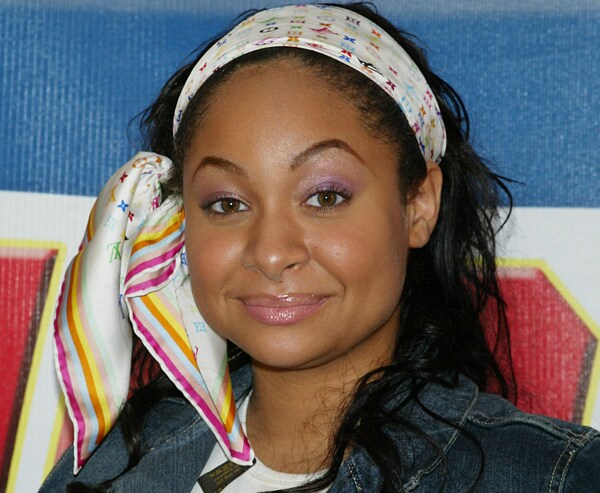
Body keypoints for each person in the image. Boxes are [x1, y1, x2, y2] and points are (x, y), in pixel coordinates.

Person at [39, 3, 599, 492]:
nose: (271, 252)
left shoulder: (558, 476)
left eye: (325, 196)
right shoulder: (106, 468)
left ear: (418, 204)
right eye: (227, 203)